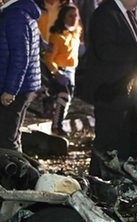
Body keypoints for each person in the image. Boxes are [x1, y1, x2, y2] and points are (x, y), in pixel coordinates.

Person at [82, 0, 137, 176]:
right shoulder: (106, 14)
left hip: (130, 91)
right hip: (111, 91)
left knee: (127, 142)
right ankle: (101, 185)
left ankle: (123, 181)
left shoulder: (128, 14)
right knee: (109, 144)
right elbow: (106, 51)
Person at [0, 0, 41, 152]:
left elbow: (20, 56)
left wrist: (10, 89)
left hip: (13, 86)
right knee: (11, 137)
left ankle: (15, 173)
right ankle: (20, 171)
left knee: (6, 140)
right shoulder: (18, 13)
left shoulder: (15, 16)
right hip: (19, 84)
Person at [43, 4, 82, 136]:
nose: (73, 19)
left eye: (75, 16)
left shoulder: (76, 32)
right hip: (60, 71)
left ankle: (56, 121)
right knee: (63, 97)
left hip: (71, 71)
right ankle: (56, 126)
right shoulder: (57, 35)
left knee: (66, 100)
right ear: (63, 17)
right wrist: (56, 72)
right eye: (70, 16)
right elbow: (49, 58)